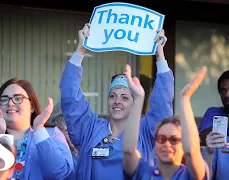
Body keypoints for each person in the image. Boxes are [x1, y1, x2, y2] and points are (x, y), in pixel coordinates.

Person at [59, 23, 174, 179]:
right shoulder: (90, 128)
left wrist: (159, 55)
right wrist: (80, 50)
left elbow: (163, 101)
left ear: (135, 102)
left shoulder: (147, 131)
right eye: (112, 96)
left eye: (125, 97)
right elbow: (70, 97)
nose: (117, 101)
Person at [0, 78, 73, 180]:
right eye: (4, 99)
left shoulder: (52, 134)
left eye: (18, 98)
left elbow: (60, 173)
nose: (10, 103)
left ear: (32, 106)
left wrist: (39, 130)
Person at [123, 66, 209, 179]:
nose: (166, 144)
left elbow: (192, 153)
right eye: (161, 139)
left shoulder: (190, 174)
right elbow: (128, 151)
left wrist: (185, 99)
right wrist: (139, 99)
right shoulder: (144, 172)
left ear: (184, 143)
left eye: (173, 140)